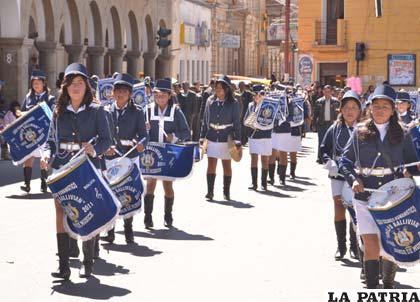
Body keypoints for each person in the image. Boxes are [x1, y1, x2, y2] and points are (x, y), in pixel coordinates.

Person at [339, 85, 418, 289]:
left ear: (393, 110)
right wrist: (353, 180)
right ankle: (372, 288)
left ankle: (389, 285)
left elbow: (412, 164)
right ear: (370, 108)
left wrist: (415, 170)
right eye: (376, 106)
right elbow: (345, 162)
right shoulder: (359, 132)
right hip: (365, 195)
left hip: (394, 198)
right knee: (371, 243)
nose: (380, 110)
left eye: (385, 106)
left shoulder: (404, 133)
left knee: (391, 243)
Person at [42, 63, 112, 279]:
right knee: (61, 212)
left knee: (85, 211)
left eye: (80, 83)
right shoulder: (58, 111)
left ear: (86, 87)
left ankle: (87, 263)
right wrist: (46, 154)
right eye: (71, 83)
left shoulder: (97, 110)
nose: (75, 87)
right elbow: (49, 141)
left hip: (87, 167)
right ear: (65, 87)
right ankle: (63, 266)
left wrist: (95, 149)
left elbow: (107, 140)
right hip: (62, 166)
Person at [100, 73, 148, 244]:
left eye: (123, 91)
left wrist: (141, 144)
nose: (119, 94)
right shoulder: (105, 111)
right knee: (111, 192)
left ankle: (128, 229)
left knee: (128, 191)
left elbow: (144, 135)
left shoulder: (138, 112)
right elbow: (101, 134)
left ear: (129, 94)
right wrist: (106, 147)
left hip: (130, 156)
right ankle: (110, 231)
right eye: (117, 90)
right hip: (111, 156)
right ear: (112, 92)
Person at [143, 78, 190, 228]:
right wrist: (145, 129)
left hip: (168, 153)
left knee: (167, 185)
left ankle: (168, 216)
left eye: (163, 95)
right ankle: (147, 217)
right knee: (150, 184)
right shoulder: (148, 109)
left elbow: (186, 132)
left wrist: (174, 137)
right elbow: (140, 132)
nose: (159, 98)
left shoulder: (176, 111)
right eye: (157, 95)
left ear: (169, 95)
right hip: (151, 153)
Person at [320, 90, 361, 260]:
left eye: (353, 108)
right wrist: (329, 162)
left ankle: (354, 246)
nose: (350, 111)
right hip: (337, 174)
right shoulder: (334, 128)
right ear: (341, 110)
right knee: (338, 207)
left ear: (359, 110)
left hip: (356, 176)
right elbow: (324, 149)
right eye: (346, 108)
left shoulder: (363, 129)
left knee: (354, 209)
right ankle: (341, 245)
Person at [200, 75, 241, 201]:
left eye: (220, 88)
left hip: (226, 138)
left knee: (226, 165)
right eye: (216, 88)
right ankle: (210, 191)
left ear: (226, 89)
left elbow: (237, 123)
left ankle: (226, 192)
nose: (217, 90)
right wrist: (202, 137)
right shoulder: (210, 101)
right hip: (212, 136)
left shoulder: (234, 103)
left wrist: (238, 141)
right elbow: (205, 120)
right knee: (211, 164)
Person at [20, 69, 56, 193]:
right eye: (34, 83)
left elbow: (52, 115)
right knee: (27, 158)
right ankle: (27, 183)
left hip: (44, 134)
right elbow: (22, 112)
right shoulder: (28, 97)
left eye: (38, 83)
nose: (36, 85)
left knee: (43, 159)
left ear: (44, 83)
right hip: (30, 134)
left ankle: (44, 182)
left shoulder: (50, 98)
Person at [270, 90, 308, 185]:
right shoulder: (273, 101)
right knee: (272, 154)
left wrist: (283, 120)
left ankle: (282, 178)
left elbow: (292, 116)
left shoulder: (290, 102)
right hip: (274, 130)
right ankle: (271, 178)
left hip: (285, 130)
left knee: (283, 154)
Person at [244, 85, 271, 190]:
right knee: (254, 158)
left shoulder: (268, 105)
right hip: (254, 135)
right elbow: (246, 119)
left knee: (264, 159)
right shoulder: (251, 105)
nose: (256, 96)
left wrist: (262, 103)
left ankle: (264, 183)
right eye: (254, 94)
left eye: (258, 94)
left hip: (265, 135)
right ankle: (254, 183)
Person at [312, 85, 340, 164]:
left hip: (331, 125)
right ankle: (320, 158)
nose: (327, 93)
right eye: (325, 91)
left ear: (331, 92)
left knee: (331, 141)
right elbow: (315, 114)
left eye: (328, 91)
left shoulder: (336, 102)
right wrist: (313, 124)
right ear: (323, 91)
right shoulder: (319, 102)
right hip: (321, 124)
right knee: (321, 141)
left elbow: (338, 114)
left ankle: (329, 157)